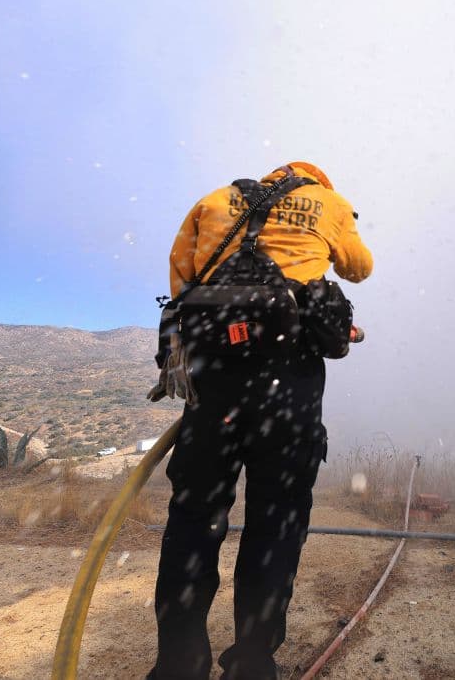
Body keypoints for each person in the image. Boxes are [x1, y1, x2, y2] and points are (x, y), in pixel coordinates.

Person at [149, 162, 373, 680]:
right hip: (288, 380)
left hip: (214, 379)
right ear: (319, 182)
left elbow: (182, 279)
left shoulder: (214, 200)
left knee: (193, 520)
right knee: (276, 523)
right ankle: (252, 663)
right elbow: (359, 268)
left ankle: (179, 664)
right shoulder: (330, 203)